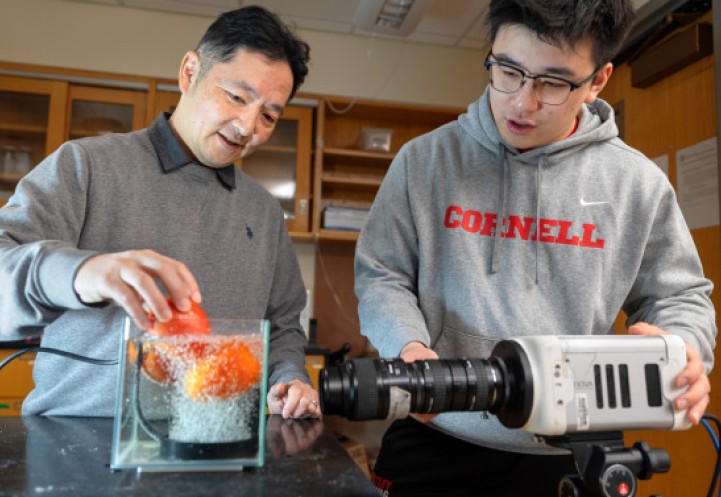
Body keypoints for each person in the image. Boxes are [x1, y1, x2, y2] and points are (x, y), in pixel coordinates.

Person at [354, 0, 716, 495]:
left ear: (598, 80)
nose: (522, 102)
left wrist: (683, 348)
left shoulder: (637, 184)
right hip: (435, 434)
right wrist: (407, 346)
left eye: (553, 82)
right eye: (508, 71)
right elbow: (383, 274)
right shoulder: (425, 162)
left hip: (566, 450)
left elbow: (680, 297)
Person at [0, 5, 320, 420]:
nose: (247, 126)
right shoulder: (86, 165)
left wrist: (290, 377)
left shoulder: (262, 211)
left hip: (216, 442)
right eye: (237, 97)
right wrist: (82, 273)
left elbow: (283, 325)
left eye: (268, 116)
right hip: (78, 442)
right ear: (189, 72)